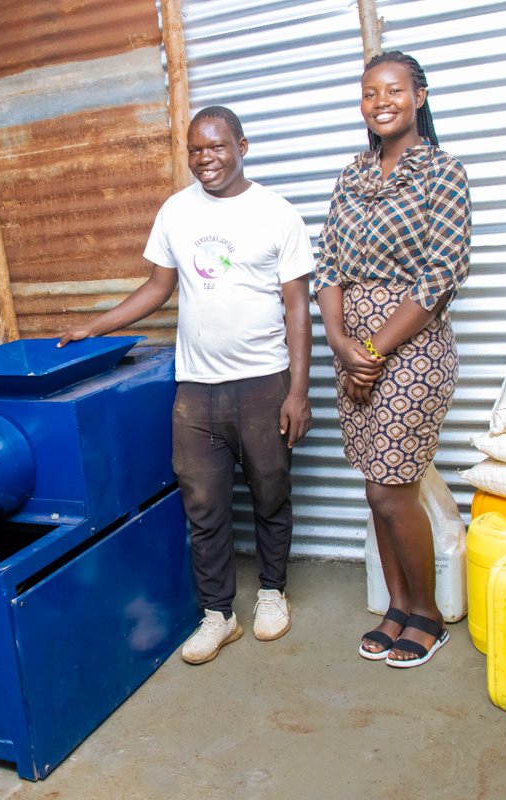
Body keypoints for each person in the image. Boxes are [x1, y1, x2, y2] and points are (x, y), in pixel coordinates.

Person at [59, 106, 313, 665]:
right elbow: (157, 287)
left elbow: (298, 306)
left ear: (242, 146)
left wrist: (297, 391)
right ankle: (219, 614)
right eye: (196, 149)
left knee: (271, 493)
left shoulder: (276, 213)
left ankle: (272, 592)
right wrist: (94, 327)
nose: (205, 159)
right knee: (203, 504)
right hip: (196, 387)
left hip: (263, 382)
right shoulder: (175, 210)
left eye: (216, 147)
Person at [314, 51, 471, 668]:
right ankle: (398, 606)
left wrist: (373, 350)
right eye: (369, 92)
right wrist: (339, 343)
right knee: (375, 489)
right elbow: (327, 263)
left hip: (411, 348)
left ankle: (427, 614)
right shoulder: (351, 175)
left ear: (419, 96)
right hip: (351, 350)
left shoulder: (443, 174)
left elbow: (440, 276)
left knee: (391, 487)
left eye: (394, 90)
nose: (381, 102)